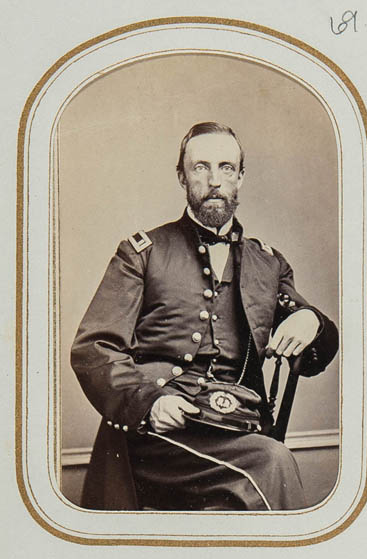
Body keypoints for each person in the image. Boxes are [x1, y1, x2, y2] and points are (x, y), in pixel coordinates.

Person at [70, 122, 338, 511]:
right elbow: (94, 348)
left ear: (241, 177)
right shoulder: (142, 253)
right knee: (271, 462)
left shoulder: (268, 263)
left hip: (236, 428)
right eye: (201, 167)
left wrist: (311, 320)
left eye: (226, 168)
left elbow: (313, 350)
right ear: (182, 176)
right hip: (158, 434)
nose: (214, 180)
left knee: (261, 467)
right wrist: (149, 403)